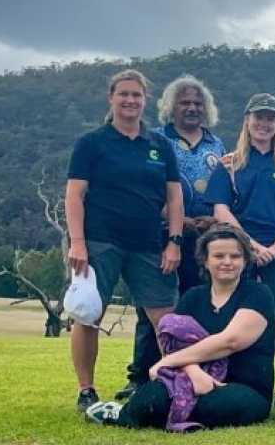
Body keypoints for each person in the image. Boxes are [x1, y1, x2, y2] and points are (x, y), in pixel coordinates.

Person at [65, 69, 183, 412]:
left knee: (166, 318)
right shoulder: (92, 143)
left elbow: (174, 199)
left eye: (137, 95)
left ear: (145, 100)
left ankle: (175, 386)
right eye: (124, 94)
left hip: (148, 244)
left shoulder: (160, 145)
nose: (130, 100)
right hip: (100, 242)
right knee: (88, 315)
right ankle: (86, 389)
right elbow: (75, 195)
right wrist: (77, 242)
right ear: (111, 98)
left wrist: (174, 241)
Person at [85, 224, 275, 430]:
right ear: (205, 260)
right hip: (187, 380)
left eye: (235, 256)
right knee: (151, 397)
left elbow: (230, 341)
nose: (227, 262)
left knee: (216, 405)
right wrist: (194, 372)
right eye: (219, 256)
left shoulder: (257, 294)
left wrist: (168, 362)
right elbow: (173, 342)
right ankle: (127, 413)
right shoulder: (193, 297)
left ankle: (156, 416)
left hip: (244, 386)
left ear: (246, 260)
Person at [204, 92, 275, 409]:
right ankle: (220, 378)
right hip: (236, 251)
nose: (264, 124)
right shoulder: (229, 163)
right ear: (247, 120)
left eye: (271, 118)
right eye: (259, 117)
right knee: (226, 316)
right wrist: (250, 246)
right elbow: (220, 209)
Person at [116, 74, 226, 400]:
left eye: (197, 103)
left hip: (205, 240)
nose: (191, 108)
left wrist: (210, 220)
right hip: (163, 236)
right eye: (184, 102)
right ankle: (141, 376)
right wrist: (182, 221)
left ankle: (196, 371)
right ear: (170, 107)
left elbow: (223, 190)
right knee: (154, 305)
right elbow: (151, 191)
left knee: (198, 305)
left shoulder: (216, 145)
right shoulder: (155, 140)